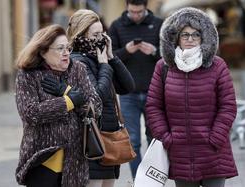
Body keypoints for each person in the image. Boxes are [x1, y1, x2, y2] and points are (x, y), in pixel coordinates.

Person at [146, 7, 238, 187]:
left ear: (204, 37)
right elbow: (153, 106)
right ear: (176, 37)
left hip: (213, 152)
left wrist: (215, 138)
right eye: (185, 34)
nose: (190, 39)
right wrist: (166, 137)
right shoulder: (164, 67)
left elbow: (227, 106)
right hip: (180, 153)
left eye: (195, 34)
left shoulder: (217, 65)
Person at [15, 24, 102, 187]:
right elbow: (30, 113)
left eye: (68, 48)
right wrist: (68, 101)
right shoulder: (27, 75)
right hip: (42, 159)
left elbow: (96, 106)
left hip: (74, 161)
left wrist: (67, 90)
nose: (66, 53)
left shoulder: (78, 69)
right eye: (60, 48)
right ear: (43, 51)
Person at [66, 9, 135, 187]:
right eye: (95, 34)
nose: (101, 39)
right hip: (92, 140)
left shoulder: (99, 57)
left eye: (102, 33)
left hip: (109, 139)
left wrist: (112, 58)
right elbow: (97, 96)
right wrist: (104, 66)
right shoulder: (78, 62)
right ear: (81, 35)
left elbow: (128, 87)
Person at [108, 0, 163, 178]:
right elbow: (109, 57)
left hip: (154, 92)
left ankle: (152, 180)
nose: (136, 15)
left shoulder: (159, 24)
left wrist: (155, 51)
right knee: (132, 141)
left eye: (139, 12)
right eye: (132, 12)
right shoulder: (117, 26)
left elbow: (170, 56)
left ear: (146, 8)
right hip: (127, 93)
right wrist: (126, 50)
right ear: (127, 8)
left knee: (154, 140)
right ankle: (138, 180)